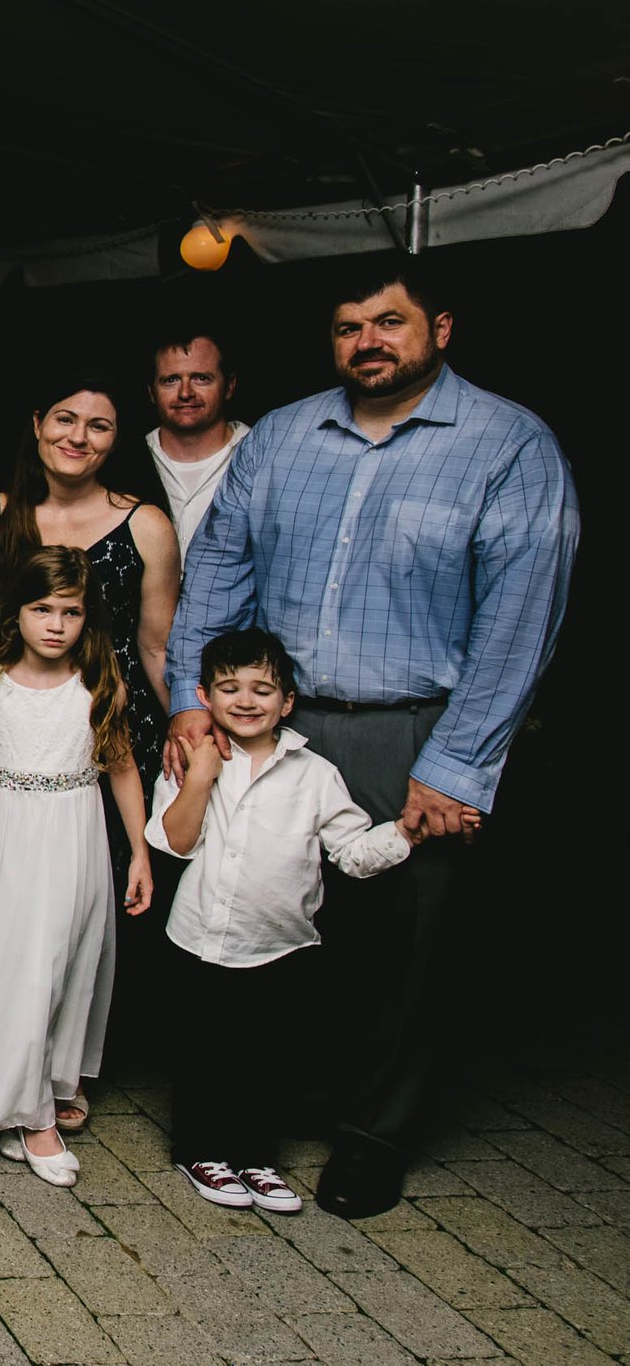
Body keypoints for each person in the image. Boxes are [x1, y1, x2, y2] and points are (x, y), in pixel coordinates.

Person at [164, 257, 577, 1219]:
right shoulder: (281, 436)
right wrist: (195, 702)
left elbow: (522, 619)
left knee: (408, 942)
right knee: (281, 922)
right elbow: (221, 566)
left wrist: (459, 764)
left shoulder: (509, 445)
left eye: (388, 322)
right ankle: (295, 1099)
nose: (368, 342)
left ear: (440, 326)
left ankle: (372, 1135)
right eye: (349, 327)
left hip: (416, 728)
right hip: (282, 727)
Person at [148, 629, 451, 1214]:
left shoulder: (315, 774)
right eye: (228, 687)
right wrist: (202, 777)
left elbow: (352, 854)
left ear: (287, 702)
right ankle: (200, 1150)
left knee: (267, 1055)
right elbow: (175, 842)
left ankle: (256, 1156)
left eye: (262, 689)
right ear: (205, 696)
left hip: (280, 946)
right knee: (206, 1051)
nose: (245, 700)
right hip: (201, 941)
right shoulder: (193, 759)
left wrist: (407, 832)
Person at [0, 547, 152, 1187]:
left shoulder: (101, 685)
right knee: (11, 964)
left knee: (60, 964)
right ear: (15, 612)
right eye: (41, 609)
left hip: (73, 836)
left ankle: (39, 1085)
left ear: (87, 619)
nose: (55, 625)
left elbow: (123, 767)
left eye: (70, 612)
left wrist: (138, 851)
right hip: (5, 834)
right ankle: (28, 1113)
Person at [0, 375, 178, 785]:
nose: (79, 437)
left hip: (112, 730)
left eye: (98, 426)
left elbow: (156, 644)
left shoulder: (147, 525)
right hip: (8, 727)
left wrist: (183, 720)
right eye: (65, 419)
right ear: (38, 425)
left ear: (117, 438)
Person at [145, 332, 250, 562]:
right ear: (152, 391)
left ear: (229, 386)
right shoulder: (130, 458)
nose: (185, 393)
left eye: (201, 378)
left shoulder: (259, 455)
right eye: (171, 380)